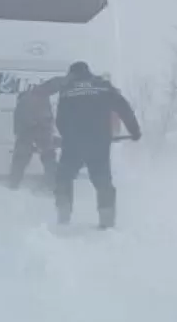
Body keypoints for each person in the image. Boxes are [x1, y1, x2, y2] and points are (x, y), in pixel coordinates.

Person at [53, 61, 141, 228]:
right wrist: (134, 130)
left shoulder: (67, 90)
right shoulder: (104, 86)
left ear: (73, 74)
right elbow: (123, 107)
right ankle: (106, 221)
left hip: (73, 143)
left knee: (64, 178)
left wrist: (67, 136)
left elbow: (60, 119)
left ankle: (63, 218)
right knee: (102, 180)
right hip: (99, 142)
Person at [7, 76, 65, 190]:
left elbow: (21, 123)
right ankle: (51, 185)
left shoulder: (37, 97)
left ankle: (14, 185)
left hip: (32, 136)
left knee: (22, 163)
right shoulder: (35, 97)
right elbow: (31, 121)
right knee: (46, 161)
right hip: (33, 135)